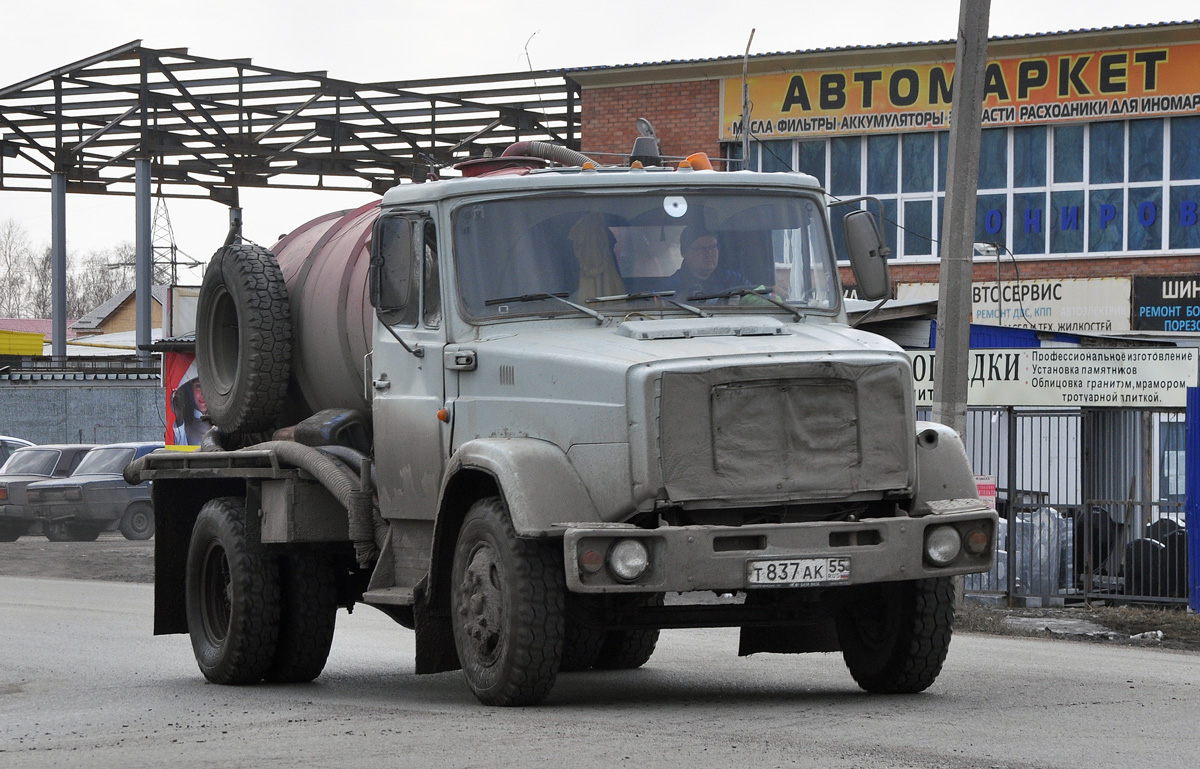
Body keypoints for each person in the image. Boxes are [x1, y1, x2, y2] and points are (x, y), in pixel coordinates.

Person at [669, 225, 744, 298]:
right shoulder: (670, 287)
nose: (708, 253)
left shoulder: (735, 280)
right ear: (684, 252)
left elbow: (753, 298)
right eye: (701, 248)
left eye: (713, 247)